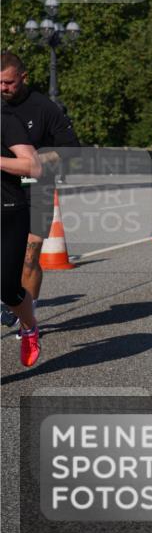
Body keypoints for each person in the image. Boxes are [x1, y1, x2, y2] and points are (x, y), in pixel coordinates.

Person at [1, 52, 81, 329]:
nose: (3, 88)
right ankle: (11, 295)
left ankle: (27, 320)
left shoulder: (44, 108)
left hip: (37, 189)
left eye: (9, 82)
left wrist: (35, 162)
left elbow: (71, 150)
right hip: (5, 191)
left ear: (23, 77)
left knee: (29, 256)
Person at [2, 104, 43, 366]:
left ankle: (29, 327)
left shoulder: (6, 121)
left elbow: (33, 167)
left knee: (7, 287)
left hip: (7, 212)